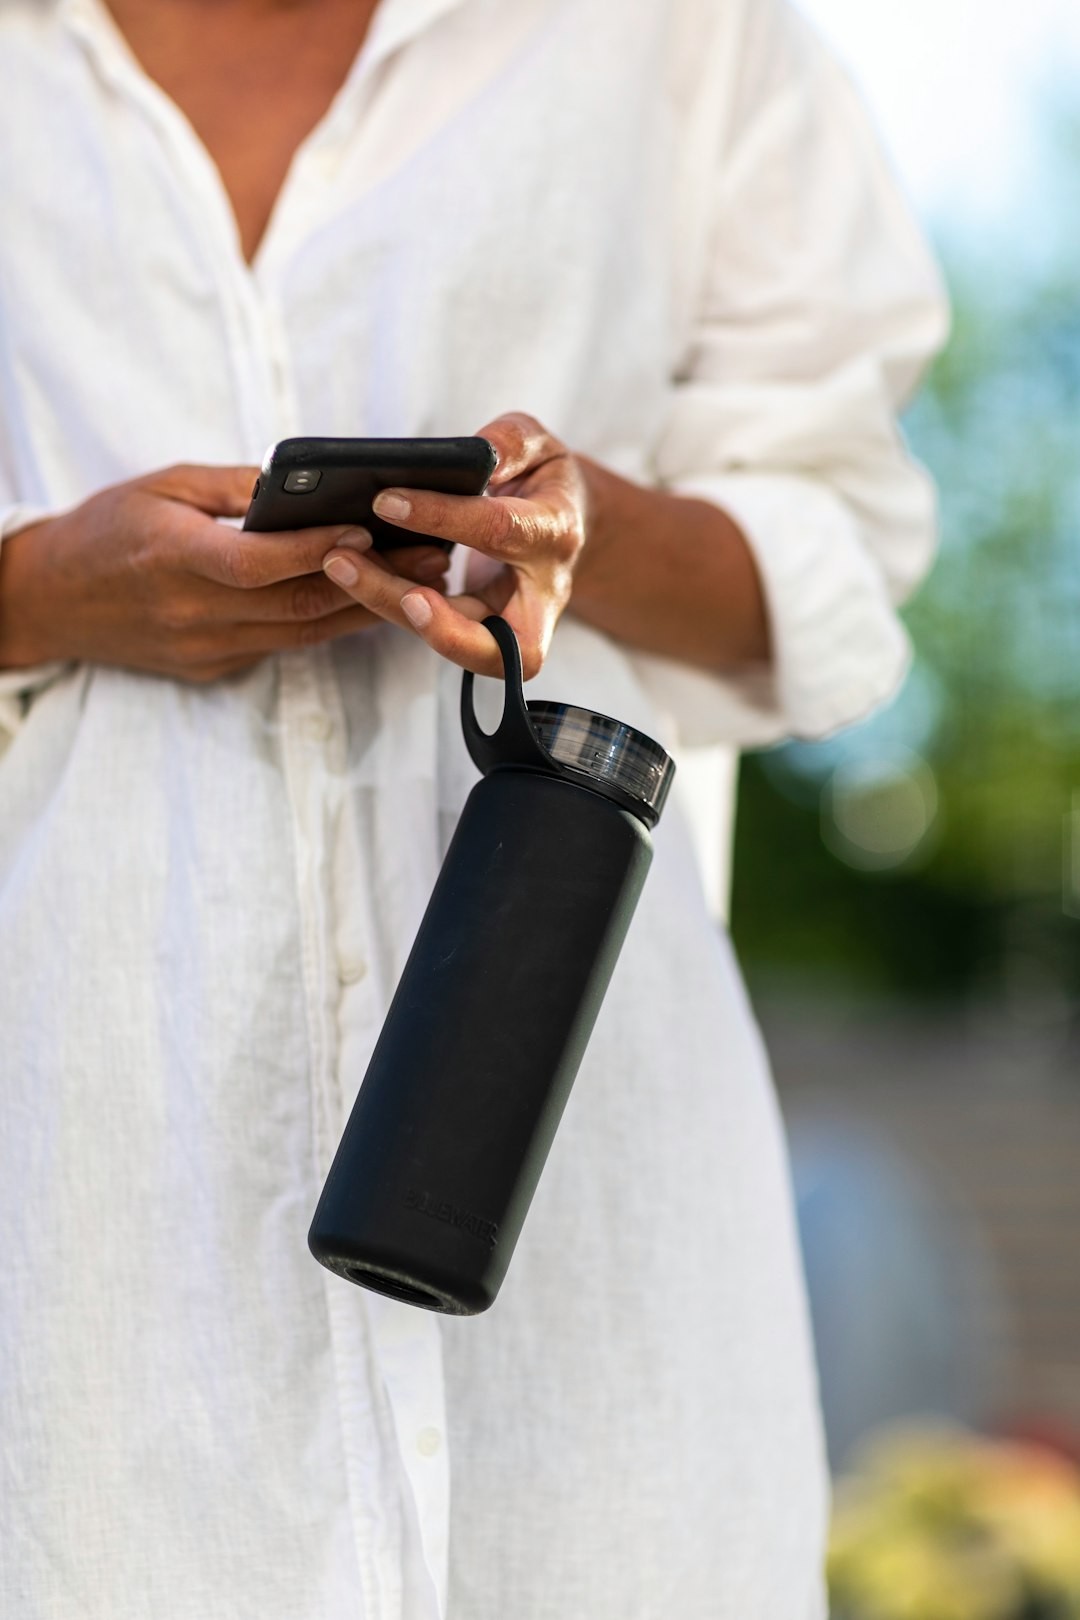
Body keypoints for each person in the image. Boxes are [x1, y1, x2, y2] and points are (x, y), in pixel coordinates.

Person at [0, 0, 947, 1615]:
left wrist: (581, 533)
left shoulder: (678, 36)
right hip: (82, 1184)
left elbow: (842, 554)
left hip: (595, 1182)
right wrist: (39, 596)